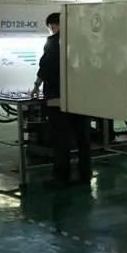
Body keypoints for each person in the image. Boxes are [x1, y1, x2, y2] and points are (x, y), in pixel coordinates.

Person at [31, 12, 92, 189]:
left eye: (51, 27)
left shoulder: (53, 42)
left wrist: (36, 86)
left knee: (61, 138)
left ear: (54, 25)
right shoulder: (83, 40)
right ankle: (85, 173)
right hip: (81, 97)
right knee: (83, 138)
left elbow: (45, 67)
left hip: (57, 98)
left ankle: (61, 177)